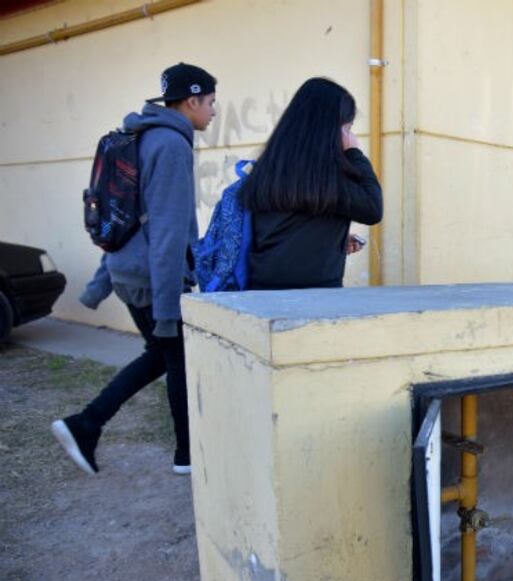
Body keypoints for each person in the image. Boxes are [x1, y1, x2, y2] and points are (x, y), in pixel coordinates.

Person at [51, 62, 217, 476]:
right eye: (211, 102)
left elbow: (128, 217)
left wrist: (99, 285)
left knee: (162, 357)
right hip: (153, 281)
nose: (214, 112)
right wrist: (166, 312)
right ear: (192, 99)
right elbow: (166, 233)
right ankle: (183, 454)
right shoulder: (171, 145)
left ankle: (89, 425)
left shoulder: (139, 137)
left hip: (129, 274)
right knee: (174, 356)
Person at [241, 77, 382, 290]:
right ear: (332, 128)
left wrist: (331, 238)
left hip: (261, 292)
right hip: (314, 299)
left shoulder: (270, 167)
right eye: (348, 127)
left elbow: (287, 226)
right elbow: (373, 208)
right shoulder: (326, 177)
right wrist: (355, 152)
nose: (350, 135)